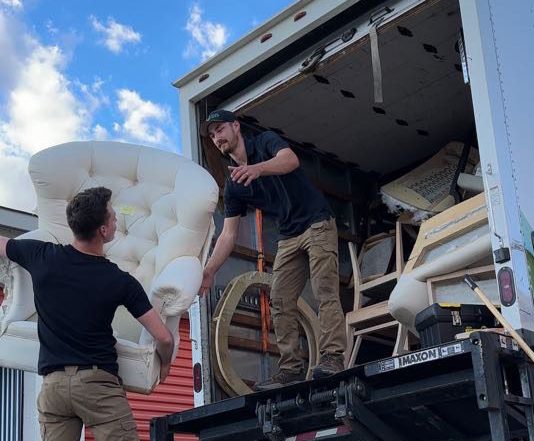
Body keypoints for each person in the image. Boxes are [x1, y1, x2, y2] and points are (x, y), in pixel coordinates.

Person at [0, 187, 174, 441]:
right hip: (98, 387)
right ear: (103, 231)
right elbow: (165, 338)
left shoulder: (42, 256)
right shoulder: (119, 280)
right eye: (113, 216)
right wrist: (166, 362)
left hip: (54, 388)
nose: (116, 219)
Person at [198, 109, 346, 390]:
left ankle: (332, 357)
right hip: (289, 235)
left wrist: (257, 168)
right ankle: (290, 369)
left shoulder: (264, 142)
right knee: (279, 300)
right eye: (212, 134)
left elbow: (290, 160)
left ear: (236, 126)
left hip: (317, 222)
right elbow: (228, 235)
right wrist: (209, 271)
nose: (217, 137)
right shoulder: (233, 186)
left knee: (324, 289)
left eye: (220, 129)